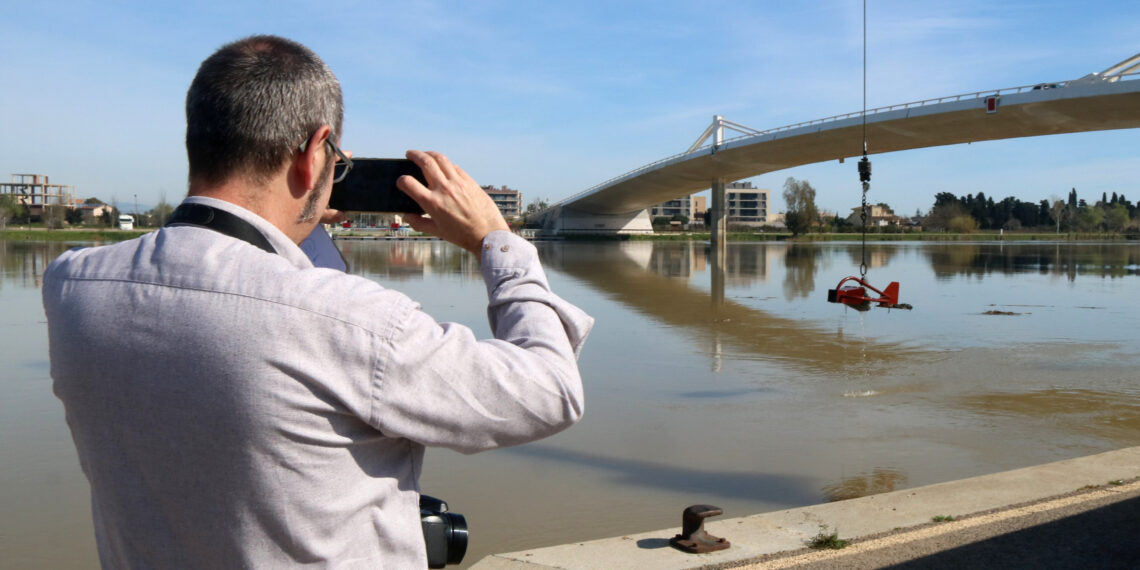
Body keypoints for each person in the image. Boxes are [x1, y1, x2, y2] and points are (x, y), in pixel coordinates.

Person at [42, 35, 592, 568]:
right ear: (314, 152)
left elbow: (250, 293)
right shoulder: (360, 322)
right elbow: (550, 391)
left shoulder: (72, 286)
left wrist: (301, 225)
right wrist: (496, 241)